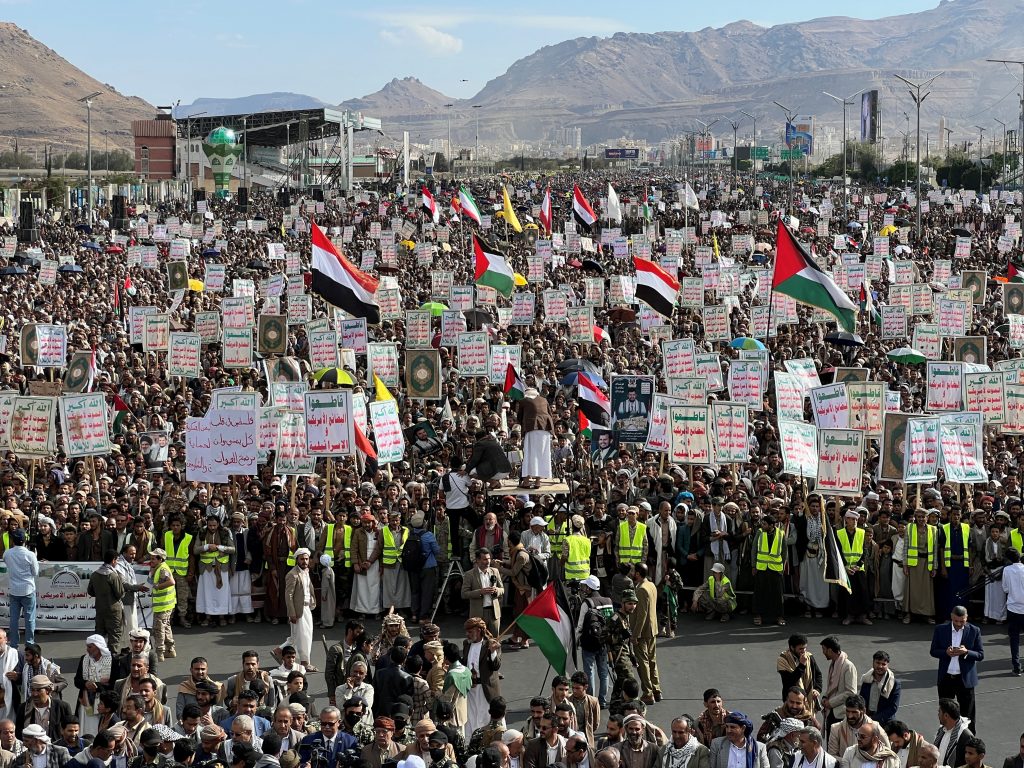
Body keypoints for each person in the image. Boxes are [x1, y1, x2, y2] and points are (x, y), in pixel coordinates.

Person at [928, 606, 983, 732]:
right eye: (956, 621)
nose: (959, 624)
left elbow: (980, 654)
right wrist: (945, 652)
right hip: (946, 678)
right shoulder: (940, 629)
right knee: (945, 713)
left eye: (962, 621)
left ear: (966, 618)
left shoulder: (975, 631)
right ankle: (944, 738)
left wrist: (967, 652)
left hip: (965, 680)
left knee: (968, 715)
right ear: (951, 617)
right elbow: (933, 651)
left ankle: (969, 741)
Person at [277, 549, 317, 672]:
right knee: (304, 637)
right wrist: (292, 613)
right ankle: (305, 663)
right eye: (302, 559)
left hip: (307, 608)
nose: (304, 561)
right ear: (297, 560)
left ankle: (277, 651)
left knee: (297, 637)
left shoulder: (306, 571)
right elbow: (288, 596)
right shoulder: (292, 574)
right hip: (298, 611)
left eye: (306, 559)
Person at [463, 618, 501, 740]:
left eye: (470, 632)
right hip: (471, 688)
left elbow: (495, 666)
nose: (467, 634)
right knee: (471, 717)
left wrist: (493, 652)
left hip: (486, 688)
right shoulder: (466, 644)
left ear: (478, 630)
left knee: (485, 716)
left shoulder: (491, 644)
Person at [628, 564, 660, 705]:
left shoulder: (641, 590)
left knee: (643, 663)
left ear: (639, 573)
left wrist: (635, 635)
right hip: (652, 629)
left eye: (634, 571)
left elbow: (641, 615)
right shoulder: (651, 585)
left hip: (642, 631)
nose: (633, 573)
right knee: (652, 661)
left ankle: (648, 693)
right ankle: (656, 689)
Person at [3, 528, 38, 649]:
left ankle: (13, 644)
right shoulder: (30, 554)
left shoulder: (7, 553)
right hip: (28, 589)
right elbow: (35, 572)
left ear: (13, 540)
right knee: (29, 619)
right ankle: (29, 643)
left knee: (14, 619)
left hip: (14, 590)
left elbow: (8, 565)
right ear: (25, 541)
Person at [87, 550, 125, 653]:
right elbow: (120, 593)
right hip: (113, 610)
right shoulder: (113, 575)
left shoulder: (95, 574)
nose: (117, 562)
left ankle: (97, 655)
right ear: (113, 560)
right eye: (116, 560)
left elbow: (90, 591)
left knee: (99, 635)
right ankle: (113, 658)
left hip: (100, 609)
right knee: (114, 635)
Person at [752, 515, 787, 626]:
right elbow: (754, 549)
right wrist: (753, 566)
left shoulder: (781, 533)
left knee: (777, 594)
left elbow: (784, 552)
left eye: (765, 524)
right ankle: (758, 615)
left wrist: (783, 567)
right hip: (761, 568)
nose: (762, 525)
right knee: (759, 593)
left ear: (772, 525)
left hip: (776, 569)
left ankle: (779, 616)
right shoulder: (759, 532)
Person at [462, 549, 505, 637]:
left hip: (494, 613)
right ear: (477, 560)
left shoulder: (495, 571)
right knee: (478, 640)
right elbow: (464, 594)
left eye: (489, 558)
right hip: (478, 614)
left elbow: (502, 589)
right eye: (485, 559)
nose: (488, 561)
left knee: (494, 640)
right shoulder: (469, 574)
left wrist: (496, 590)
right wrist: (480, 592)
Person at [820, 637, 857, 734]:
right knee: (830, 745)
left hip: (841, 715)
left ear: (830, 650)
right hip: (830, 712)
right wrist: (824, 697)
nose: (823, 652)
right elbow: (831, 687)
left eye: (824, 649)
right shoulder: (834, 664)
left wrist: (831, 702)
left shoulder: (848, 666)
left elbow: (851, 693)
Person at [518, 387, 555, 486]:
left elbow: (519, 418)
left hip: (532, 428)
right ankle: (538, 481)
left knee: (530, 454)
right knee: (542, 454)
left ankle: (526, 480)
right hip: (545, 429)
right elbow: (550, 414)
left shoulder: (524, 401)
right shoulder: (544, 399)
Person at [776, 635, 822, 708]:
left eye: (805, 648)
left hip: (809, 700)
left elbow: (818, 674)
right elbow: (789, 681)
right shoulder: (783, 660)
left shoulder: (809, 656)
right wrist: (802, 665)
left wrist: (817, 689)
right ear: (792, 647)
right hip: (792, 702)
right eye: (800, 649)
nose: (803, 651)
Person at [350, 514, 383, 617]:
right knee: (361, 588)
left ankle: (375, 611)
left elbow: (380, 549)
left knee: (375, 588)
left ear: (373, 523)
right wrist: (356, 563)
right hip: (361, 563)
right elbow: (354, 548)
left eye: (368, 522)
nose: (366, 524)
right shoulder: (357, 532)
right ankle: (361, 611)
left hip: (374, 563)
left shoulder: (378, 532)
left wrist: (372, 562)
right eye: (364, 522)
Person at [146, 550, 176, 663]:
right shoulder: (158, 568)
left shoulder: (163, 569)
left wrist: (159, 586)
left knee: (159, 629)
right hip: (165, 604)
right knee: (166, 626)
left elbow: (171, 582)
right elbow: (150, 582)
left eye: (153, 558)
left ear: (160, 559)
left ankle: (160, 653)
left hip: (163, 605)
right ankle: (170, 650)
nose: (151, 560)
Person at [23, 675, 74, 740]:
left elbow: (70, 729)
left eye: (38, 690)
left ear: (48, 690)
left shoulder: (62, 707)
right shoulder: (24, 708)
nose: (35, 694)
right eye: (32, 690)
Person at [858, 651, 901, 725]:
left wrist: (873, 719)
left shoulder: (895, 683)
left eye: (883, 664)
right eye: (877, 663)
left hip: (885, 722)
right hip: (866, 719)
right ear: (873, 663)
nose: (880, 666)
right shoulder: (866, 680)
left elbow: (893, 707)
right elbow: (861, 699)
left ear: (887, 665)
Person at [1002, 548, 1024, 676]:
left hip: (1013, 608)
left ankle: (1016, 666)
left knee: (1014, 638)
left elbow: (1005, 588)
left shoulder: (1007, 570)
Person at [934, 699, 972, 768]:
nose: (938, 715)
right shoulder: (941, 731)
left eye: (939, 712)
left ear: (946, 716)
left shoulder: (965, 737)